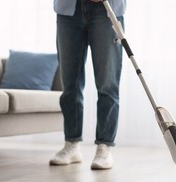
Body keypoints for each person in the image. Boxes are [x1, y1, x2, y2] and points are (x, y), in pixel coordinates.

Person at [50, 0, 126, 170]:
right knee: (70, 85)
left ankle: (104, 147)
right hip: (68, 10)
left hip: (106, 9)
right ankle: (72, 144)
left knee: (107, 83)